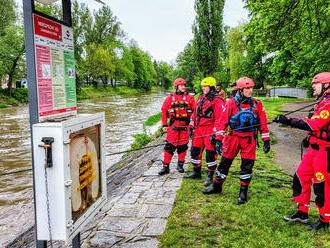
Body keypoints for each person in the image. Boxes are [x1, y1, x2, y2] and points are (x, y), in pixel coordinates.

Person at [273, 72, 330, 231]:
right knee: (300, 176)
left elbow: (314, 124)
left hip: (325, 152)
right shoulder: (321, 101)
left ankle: (324, 220)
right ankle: (302, 212)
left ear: (326, 85)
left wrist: (288, 121)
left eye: (316, 84)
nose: (313, 86)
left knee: (322, 186)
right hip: (313, 148)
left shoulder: (329, 103)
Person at [203, 77, 271, 205]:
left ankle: (243, 192)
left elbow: (263, 123)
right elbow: (222, 122)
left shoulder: (257, 104)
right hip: (233, 138)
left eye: (251, 88)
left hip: (249, 140)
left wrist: (266, 139)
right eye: (247, 88)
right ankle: (217, 187)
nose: (250, 90)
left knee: (247, 166)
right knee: (224, 163)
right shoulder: (230, 103)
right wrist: (218, 140)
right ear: (240, 89)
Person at [184, 77, 225, 186]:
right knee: (194, 151)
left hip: (209, 129)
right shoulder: (201, 98)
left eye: (205, 86)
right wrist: (191, 126)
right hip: (198, 129)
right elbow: (195, 113)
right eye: (202, 86)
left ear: (211, 87)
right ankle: (196, 172)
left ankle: (210, 176)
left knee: (210, 154)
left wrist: (217, 135)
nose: (203, 88)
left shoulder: (217, 100)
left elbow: (220, 119)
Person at [159, 78, 195, 175]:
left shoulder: (190, 98)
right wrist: (164, 125)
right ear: (176, 87)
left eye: (184, 85)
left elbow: (195, 112)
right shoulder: (170, 98)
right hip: (173, 127)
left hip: (185, 126)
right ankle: (166, 167)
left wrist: (192, 124)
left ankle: (180, 165)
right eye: (181, 85)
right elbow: (164, 111)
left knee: (182, 147)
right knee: (169, 147)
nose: (183, 87)